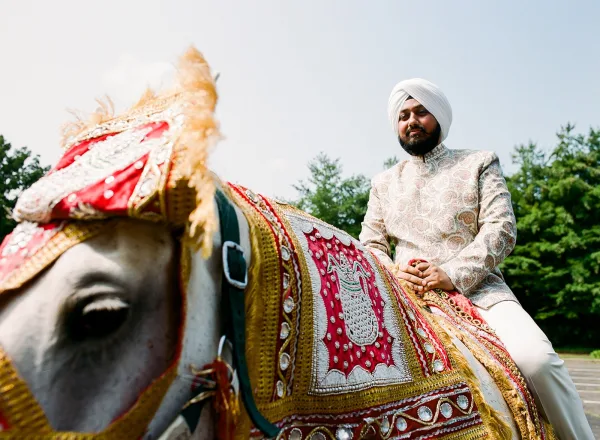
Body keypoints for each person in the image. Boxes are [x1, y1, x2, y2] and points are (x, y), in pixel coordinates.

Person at [359, 78, 594, 440]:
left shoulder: (478, 162)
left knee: (540, 362)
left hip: (478, 291)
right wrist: (395, 271)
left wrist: (450, 273)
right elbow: (371, 245)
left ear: (438, 116)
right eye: (404, 115)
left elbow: (501, 230)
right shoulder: (383, 183)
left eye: (421, 111)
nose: (411, 120)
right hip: (406, 295)